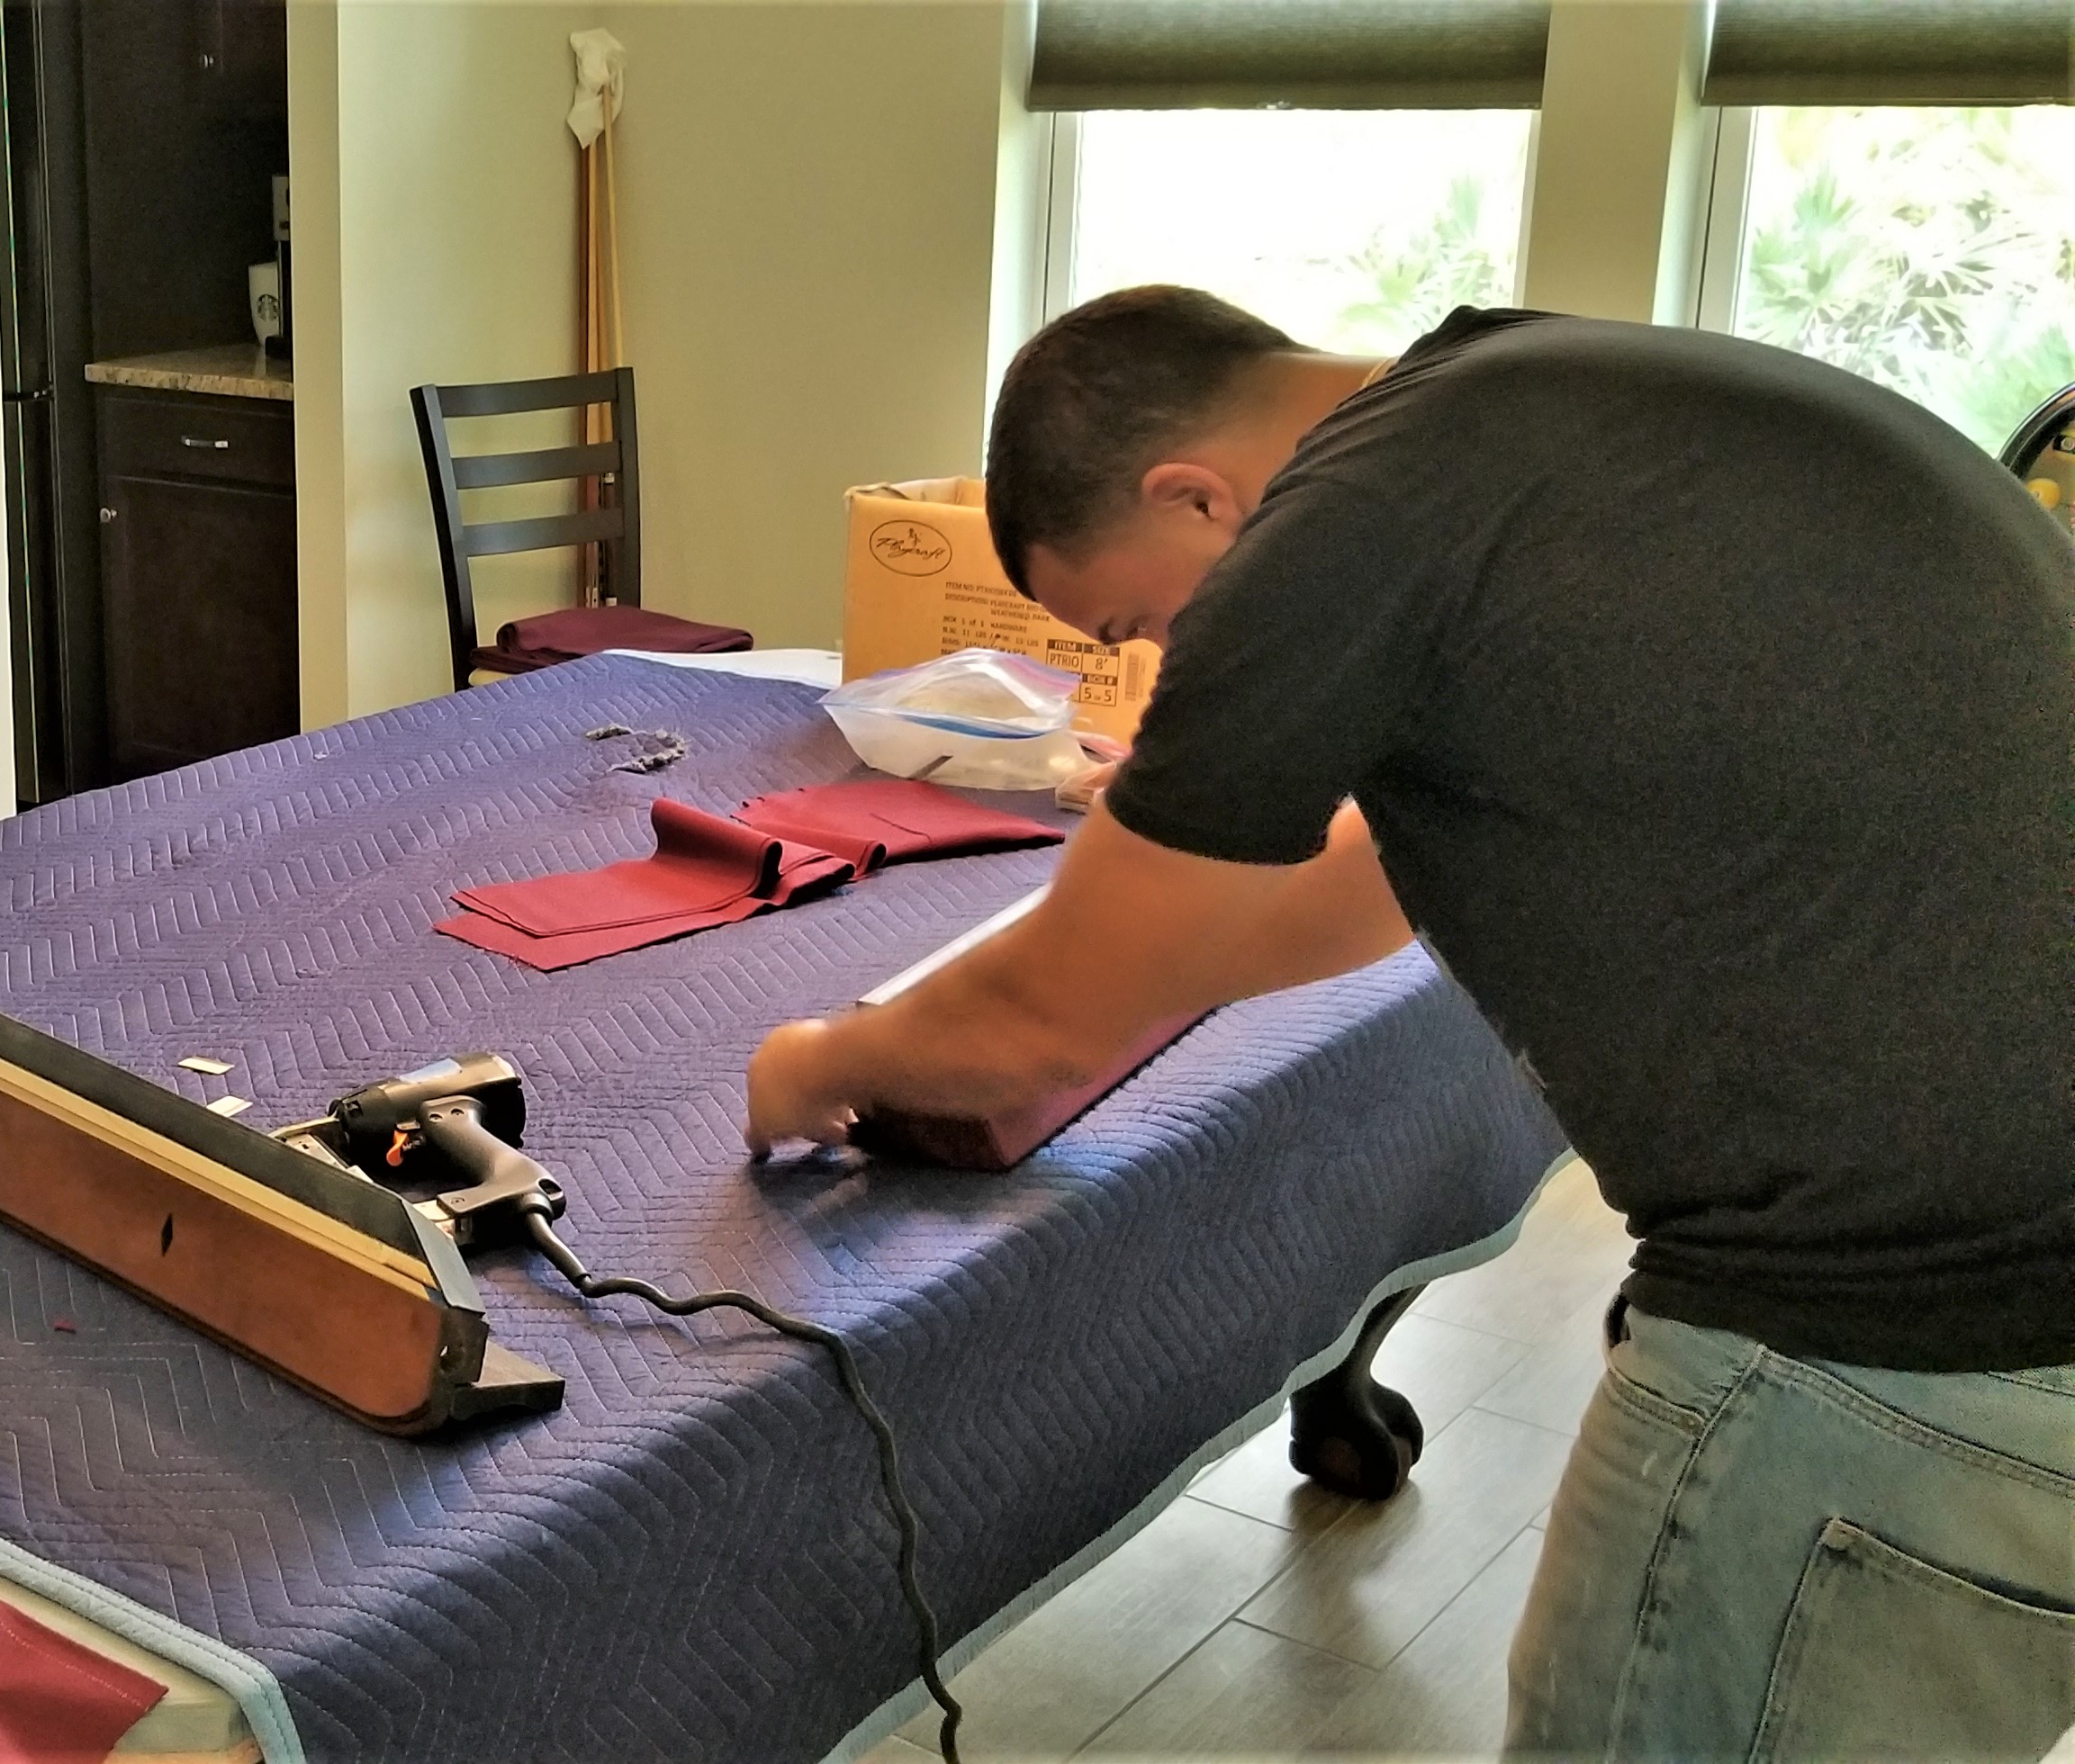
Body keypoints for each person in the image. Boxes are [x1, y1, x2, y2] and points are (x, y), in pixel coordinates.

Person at [745, 287, 2072, 1757]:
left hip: (1914, 1334)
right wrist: (1144, 954)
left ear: (1195, 495)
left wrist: (824, 1060)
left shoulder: (1352, 516)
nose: (1158, 662)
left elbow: (1036, 1022)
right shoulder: (1541, 401)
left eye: (1146, 621)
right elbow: (1376, 881)